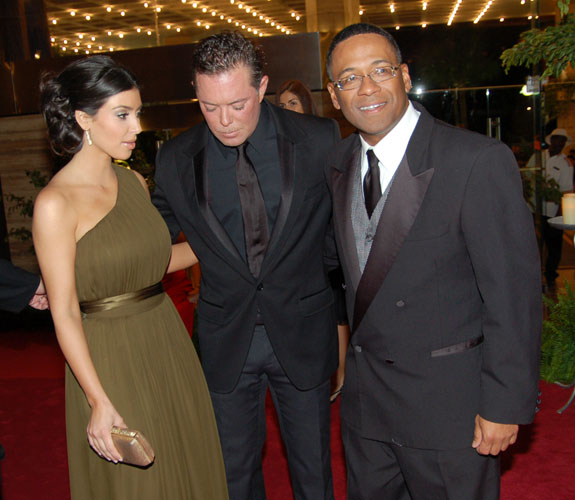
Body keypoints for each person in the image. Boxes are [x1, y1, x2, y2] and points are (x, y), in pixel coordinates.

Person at [325, 23, 541, 500]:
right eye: (350, 78)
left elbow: (513, 294)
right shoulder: (338, 164)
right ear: (334, 95)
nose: (368, 89)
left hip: (449, 411)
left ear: (403, 75)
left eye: (380, 70)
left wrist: (505, 402)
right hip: (367, 412)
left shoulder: (475, 160)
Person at [152, 32, 340, 500]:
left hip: (303, 330)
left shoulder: (318, 140)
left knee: (313, 472)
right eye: (209, 106)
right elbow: (147, 243)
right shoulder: (176, 159)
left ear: (262, 88)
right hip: (225, 337)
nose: (224, 121)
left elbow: (343, 235)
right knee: (232, 475)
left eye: (237, 104)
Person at [33, 55, 228, 499]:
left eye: (137, 113)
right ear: (83, 118)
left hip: (166, 338)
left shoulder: (134, 183)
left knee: (186, 461)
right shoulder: (55, 204)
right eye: (122, 115)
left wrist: (225, 240)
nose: (136, 127)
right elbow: (63, 311)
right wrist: (98, 400)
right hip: (108, 357)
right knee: (141, 484)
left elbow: (151, 264)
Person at [275, 79, 349, 401]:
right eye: (283, 105)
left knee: (337, 314)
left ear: (307, 105)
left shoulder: (324, 138)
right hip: (298, 249)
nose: (288, 110)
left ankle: (342, 377)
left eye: (294, 103)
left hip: (328, 238)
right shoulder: (276, 149)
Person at [527, 128, 573, 290]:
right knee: (533, 244)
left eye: (562, 140)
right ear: (551, 140)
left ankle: (550, 275)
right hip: (534, 209)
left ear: (564, 143)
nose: (558, 143)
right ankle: (533, 275)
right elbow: (528, 176)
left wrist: (562, 212)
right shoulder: (538, 157)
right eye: (556, 139)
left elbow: (566, 191)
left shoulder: (566, 164)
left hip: (552, 211)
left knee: (553, 247)